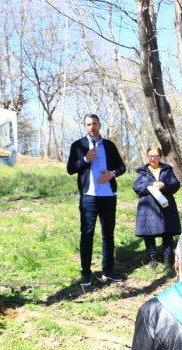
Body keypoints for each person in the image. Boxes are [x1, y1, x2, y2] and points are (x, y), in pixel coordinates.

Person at [66, 114, 127, 286]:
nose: (91, 127)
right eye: (88, 124)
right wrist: (86, 159)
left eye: (94, 124)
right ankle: (86, 273)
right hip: (89, 197)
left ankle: (108, 271)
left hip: (108, 196)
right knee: (87, 235)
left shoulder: (109, 145)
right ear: (85, 126)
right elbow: (71, 169)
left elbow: (122, 167)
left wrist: (112, 174)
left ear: (99, 124)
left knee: (108, 235)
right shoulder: (78, 145)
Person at [133, 145, 182, 272]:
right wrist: (151, 184)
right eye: (150, 156)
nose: (153, 158)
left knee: (167, 233)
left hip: (166, 206)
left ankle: (168, 260)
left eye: (156, 155)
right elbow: (137, 187)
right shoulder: (142, 171)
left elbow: (176, 185)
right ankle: (152, 259)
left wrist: (164, 185)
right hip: (148, 207)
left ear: (160, 156)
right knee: (148, 234)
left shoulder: (167, 169)